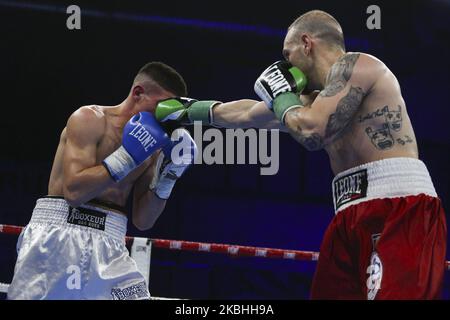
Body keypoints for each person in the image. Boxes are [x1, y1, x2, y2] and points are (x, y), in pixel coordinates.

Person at [154, 11, 447, 299]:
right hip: (348, 213)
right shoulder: (314, 100)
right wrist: (185, 110)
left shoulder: (358, 67)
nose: (285, 64)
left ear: (307, 43)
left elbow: (311, 132)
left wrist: (281, 95)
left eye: (288, 53)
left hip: (401, 207)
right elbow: (244, 113)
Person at [8, 62, 197, 300]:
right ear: (138, 93)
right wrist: (128, 157)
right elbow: (75, 193)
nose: (166, 116)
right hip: (60, 234)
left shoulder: (154, 147)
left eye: (172, 110)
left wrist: (169, 176)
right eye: (161, 107)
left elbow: (143, 220)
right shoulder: (89, 119)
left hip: (111, 244)